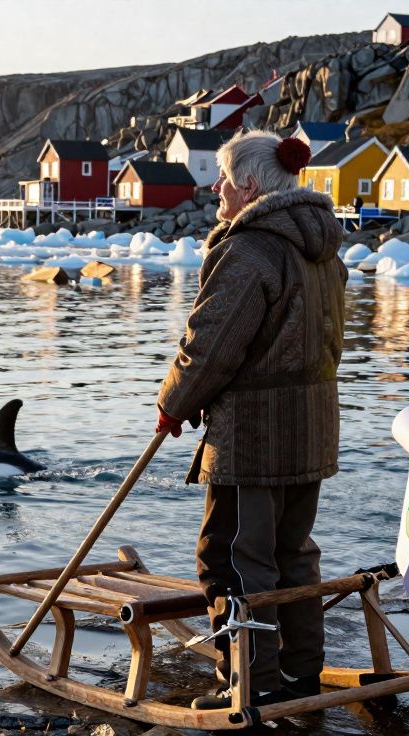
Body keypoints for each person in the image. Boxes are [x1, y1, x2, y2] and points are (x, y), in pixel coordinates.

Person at [155, 130, 347, 710]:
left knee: (234, 560)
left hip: (254, 440)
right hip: (311, 433)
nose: (215, 188)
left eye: (223, 178)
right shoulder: (325, 250)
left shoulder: (250, 250)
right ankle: (301, 674)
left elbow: (210, 345)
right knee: (293, 554)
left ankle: (248, 682)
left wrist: (174, 402)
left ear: (251, 185)